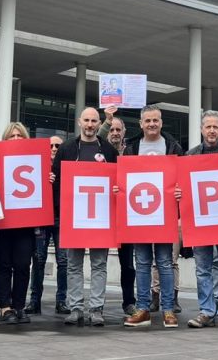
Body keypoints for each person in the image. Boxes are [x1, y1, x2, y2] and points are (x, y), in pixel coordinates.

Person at [52, 107, 119, 327]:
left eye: (94, 121)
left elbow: (117, 180)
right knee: (73, 264)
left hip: (101, 217)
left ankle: (97, 308)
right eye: (86, 120)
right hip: (74, 217)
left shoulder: (108, 150)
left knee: (99, 264)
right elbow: (56, 180)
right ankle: (76, 308)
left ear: (99, 123)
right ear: (80, 122)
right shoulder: (67, 148)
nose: (90, 124)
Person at [123, 105, 183, 328]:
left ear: (161, 122)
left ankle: (168, 309)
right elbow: (125, 178)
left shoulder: (173, 146)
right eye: (147, 121)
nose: (151, 124)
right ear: (141, 124)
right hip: (139, 213)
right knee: (142, 262)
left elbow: (182, 177)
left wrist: (180, 190)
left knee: (165, 262)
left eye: (155, 120)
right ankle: (143, 309)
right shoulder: (131, 147)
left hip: (165, 214)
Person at [185, 111, 218, 330]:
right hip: (201, 219)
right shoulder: (191, 155)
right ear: (201, 129)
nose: (211, 130)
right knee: (202, 268)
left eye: (215, 126)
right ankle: (206, 311)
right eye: (208, 126)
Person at [0, 122, 37, 324]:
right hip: (3, 220)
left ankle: (19, 306)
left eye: (20, 136)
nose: (16, 139)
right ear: (5, 139)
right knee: (4, 264)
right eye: (12, 136)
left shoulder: (35, 160)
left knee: (22, 265)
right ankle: (5, 307)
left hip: (26, 222)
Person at [27, 134, 66, 315]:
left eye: (57, 146)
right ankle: (34, 301)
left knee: (63, 261)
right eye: (51, 145)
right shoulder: (36, 166)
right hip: (41, 219)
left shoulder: (66, 167)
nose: (53, 149)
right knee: (38, 259)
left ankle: (62, 301)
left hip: (61, 218)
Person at [105, 114, 136, 315]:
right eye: (112, 130)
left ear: (124, 132)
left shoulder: (132, 153)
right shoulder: (100, 152)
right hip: (102, 213)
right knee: (97, 262)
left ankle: (129, 302)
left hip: (126, 216)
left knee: (128, 263)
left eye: (118, 130)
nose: (115, 133)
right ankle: (93, 305)